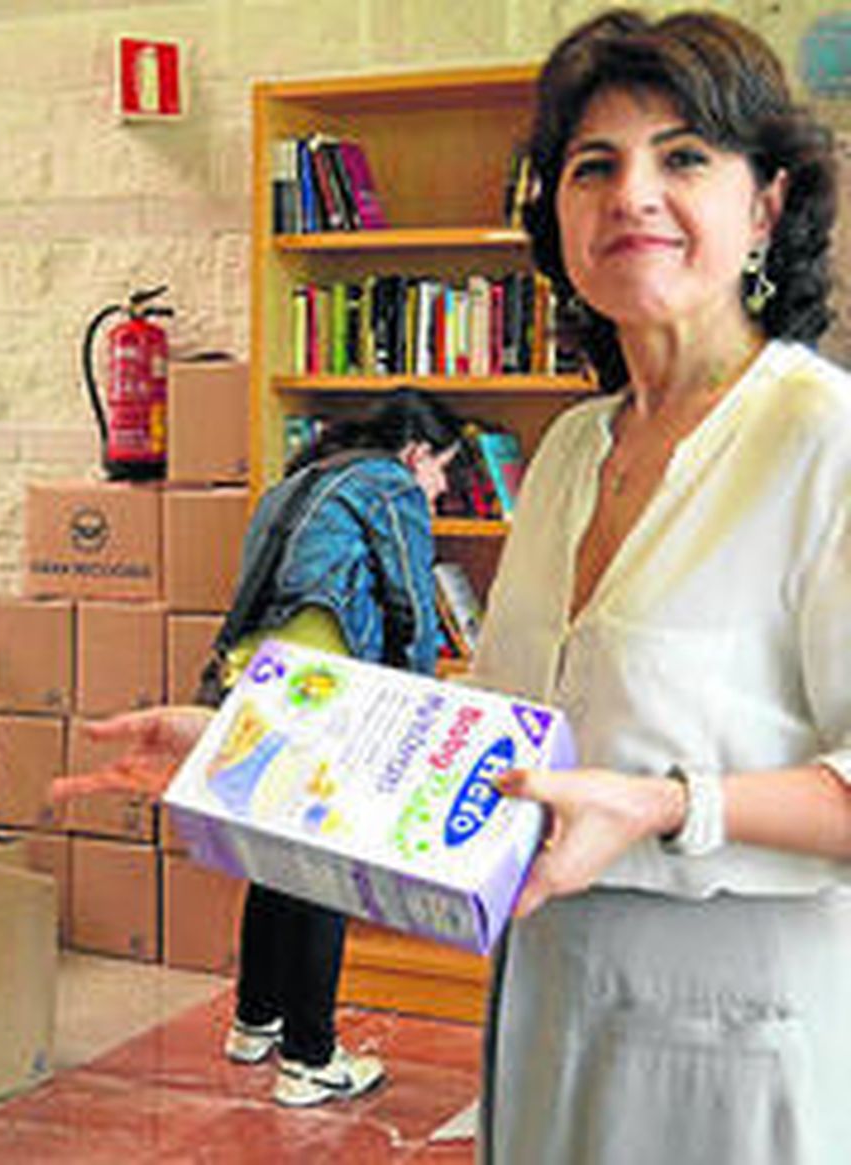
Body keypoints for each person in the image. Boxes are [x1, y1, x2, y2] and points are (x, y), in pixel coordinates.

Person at [471, 11, 851, 1163]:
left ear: (767, 210)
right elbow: (501, 738)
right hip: (548, 994)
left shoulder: (823, 440)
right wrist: (261, 750)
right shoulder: (571, 452)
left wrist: (668, 804)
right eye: (593, 165)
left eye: (683, 156)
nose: (631, 192)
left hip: (738, 1034)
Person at [59, 388, 463, 1107]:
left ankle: (256, 1019)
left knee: (278, 856)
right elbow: (409, 598)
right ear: (416, 452)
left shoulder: (298, 480)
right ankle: (311, 1057)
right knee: (326, 871)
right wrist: (422, 705)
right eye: (443, 471)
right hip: (324, 684)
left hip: (257, 678)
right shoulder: (390, 482)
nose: (438, 490)